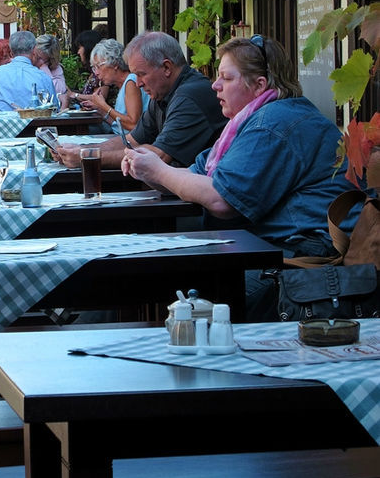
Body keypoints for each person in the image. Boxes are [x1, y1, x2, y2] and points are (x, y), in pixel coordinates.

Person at [121, 34, 361, 319]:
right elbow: (195, 175)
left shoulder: (273, 122)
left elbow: (222, 199)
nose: (215, 85)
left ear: (259, 85)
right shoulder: (249, 121)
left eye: (227, 78)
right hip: (280, 248)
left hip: (315, 260)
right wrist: (149, 169)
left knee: (196, 308)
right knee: (170, 282)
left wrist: (159, 171)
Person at [56, 31, 225, 169]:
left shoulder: (188, 97)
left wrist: (88, 156)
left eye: (141, 74)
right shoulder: (162, 93)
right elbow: (131, 140)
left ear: (167, 67)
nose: (138, 83)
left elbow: (158, 155)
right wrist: (82, 150)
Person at [0, 29, 57, 111]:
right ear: (34, 51)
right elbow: (54, 111)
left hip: (2, 123)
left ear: (11, 53)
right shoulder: (44, 78)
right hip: (33, 123)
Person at [79, 38, 149, 133]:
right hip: (120, 137)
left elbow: (133, 124)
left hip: (130, 143)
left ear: (115, 64)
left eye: (98, 66)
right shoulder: (123, 84)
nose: (96, 73)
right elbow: (120, 125)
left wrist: (104, 106)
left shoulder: (131, 82)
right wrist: (100, 109)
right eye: (94, 68)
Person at [66, 28, 110, 103]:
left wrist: (74, 95)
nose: (78, 52)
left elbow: (100, 97)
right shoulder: (94, 72)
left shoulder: (101, 71)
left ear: (88, 48)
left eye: (80, 47)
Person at [32, 34, 69, 110]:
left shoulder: (55, 68)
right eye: (36, 56)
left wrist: (45, 69)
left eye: (41, 59)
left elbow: (60, 91)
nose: (37, 61)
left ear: (51, 59)